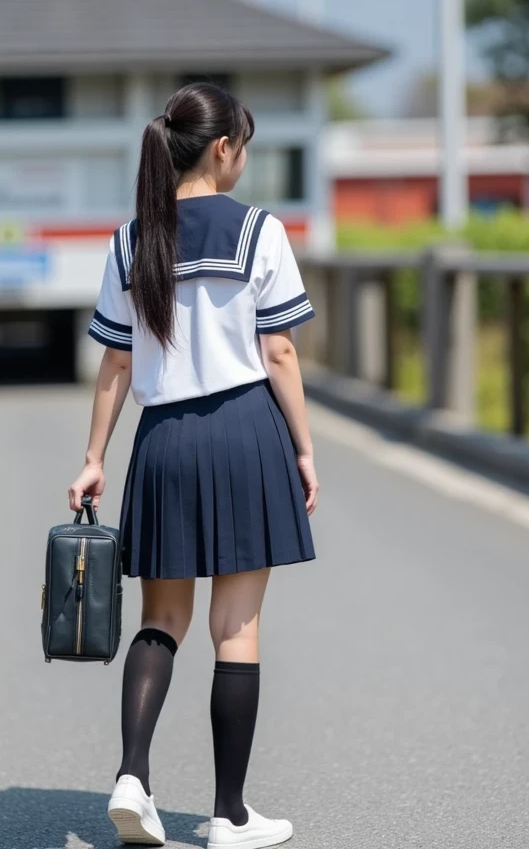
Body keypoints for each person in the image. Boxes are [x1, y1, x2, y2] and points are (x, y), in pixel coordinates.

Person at [68, 82, 318, 849]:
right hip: (246, 433)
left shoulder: (131, 240)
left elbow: (114, 362)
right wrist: (305, 447)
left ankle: (133, 779)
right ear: (222, 149)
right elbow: (278, 350)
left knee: (162, 620)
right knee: (234, 627)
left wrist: (92, 458)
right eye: (242, 144)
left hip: (164, 439)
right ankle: (230, 816)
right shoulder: (260, 232)